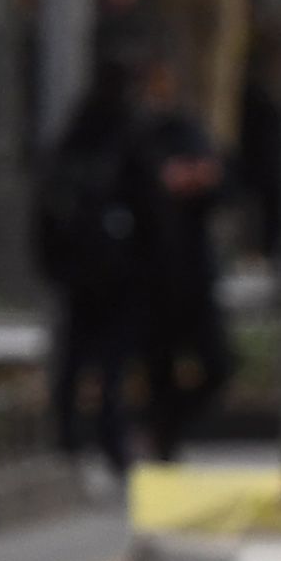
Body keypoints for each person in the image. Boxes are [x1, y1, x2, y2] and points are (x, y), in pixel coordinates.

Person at [33, 61, 148, 473]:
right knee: (110, 364)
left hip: (80, 273)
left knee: (76, 358)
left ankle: (70, 436)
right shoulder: (127, 137)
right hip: (114, 274)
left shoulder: (75, 137)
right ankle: (108, 440)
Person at [118, 54, 232, 461]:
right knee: (158, 366)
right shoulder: (135, 135)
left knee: (216, 363)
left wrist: (191, 180)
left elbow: (214, 179)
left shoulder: (188, 129)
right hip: (151, 272)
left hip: (193, 270)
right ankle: (162, 441)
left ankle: (167, 427)